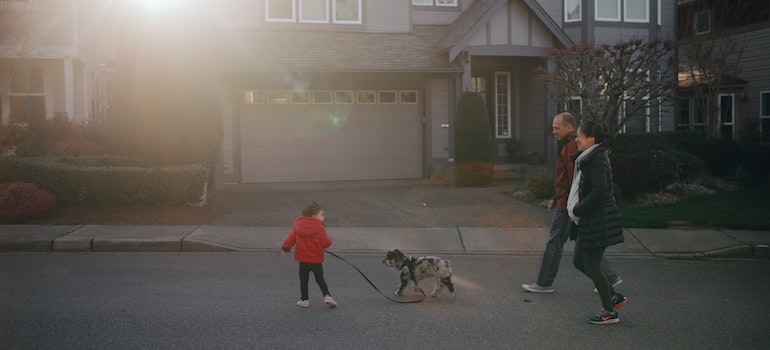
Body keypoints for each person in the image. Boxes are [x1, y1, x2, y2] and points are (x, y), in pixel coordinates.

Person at [522, 113, 622, 294]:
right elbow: (567, 179)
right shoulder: (571, 146)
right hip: (568, 202)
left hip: (569, 206)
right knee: (586, 244)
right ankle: (610, 277)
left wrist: (570, 204)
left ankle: (544, 283)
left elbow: (576, 179)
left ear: (569, 127)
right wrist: (556, 196)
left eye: (556, 128)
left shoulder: (571, 147)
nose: (553, 131)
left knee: (555, 243)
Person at [568, 120, 627, 325]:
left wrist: (578, 208)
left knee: (592, 266)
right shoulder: (590, 157)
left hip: (598, 220)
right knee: (578, 261)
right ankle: (612, 296)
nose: (576, 139)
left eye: (579, 136)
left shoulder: (598, 158)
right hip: (589, 221)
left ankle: (609, 312)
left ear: (591, 139)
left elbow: (600, 191)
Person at [282, 201, 337, 308]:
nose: (323, 217)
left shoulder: (298, 227)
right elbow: (326, 243)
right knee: (320, 279)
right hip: (316, 260)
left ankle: (304, 300)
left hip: (303, 260)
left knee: (303, 281)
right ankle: (327, 296)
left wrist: (286, 248)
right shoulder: (320, 228)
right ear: (313, 216)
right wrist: (330, 240)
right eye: (321, 215)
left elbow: (290, 239)